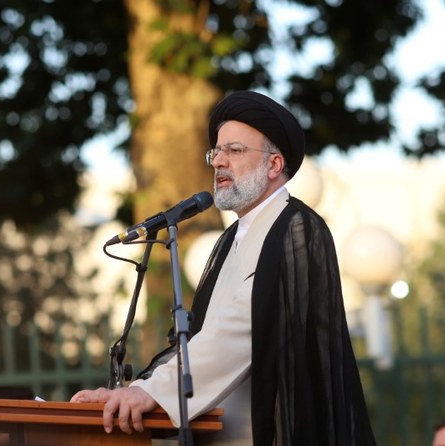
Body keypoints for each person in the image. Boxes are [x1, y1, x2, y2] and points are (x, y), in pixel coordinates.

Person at [71, 90, 376, 445]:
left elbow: (244, 326)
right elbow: (196, 339)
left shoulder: (298, 228)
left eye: (235, 150)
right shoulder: (228, 240)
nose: (218, 162)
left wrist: (151, 393)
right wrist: (139, 388)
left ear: (274, 165)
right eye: (216, 151)